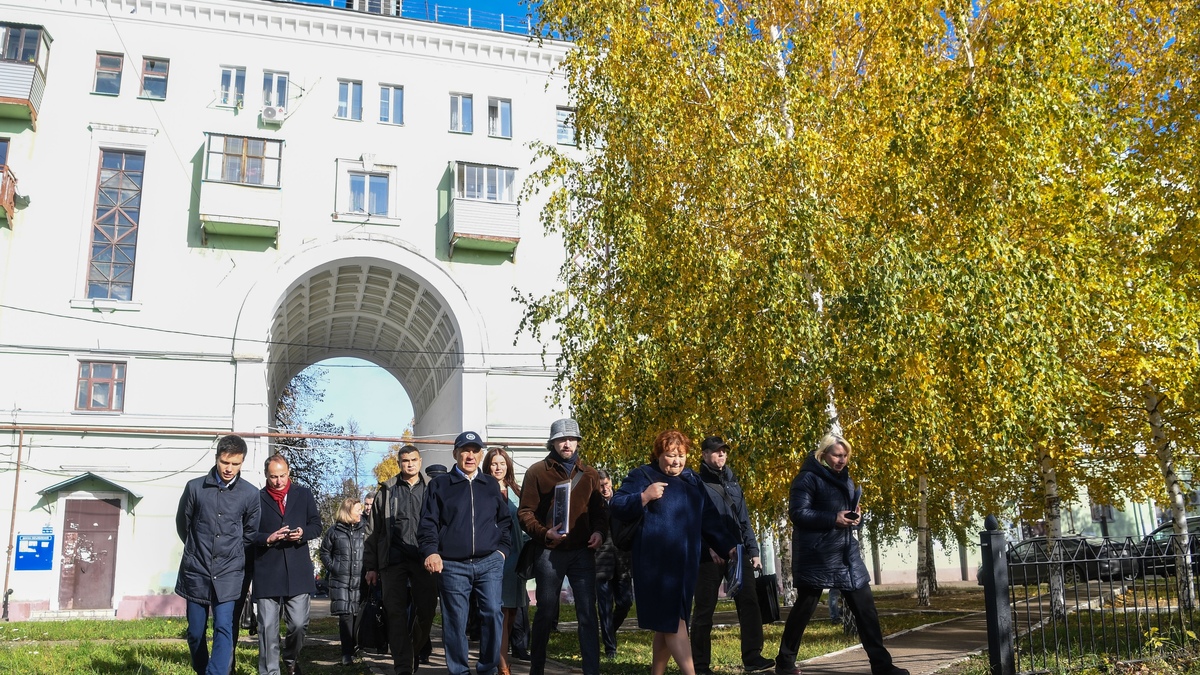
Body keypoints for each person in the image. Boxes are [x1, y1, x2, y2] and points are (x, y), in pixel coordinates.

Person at [774, 434, 908, 675]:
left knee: (866, 610)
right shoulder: (806, 479)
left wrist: (856, 516)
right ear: (823, 454)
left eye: (845, 455)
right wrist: (833, 518)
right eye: (837, 455)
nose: (841, 460)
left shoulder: (846, 480)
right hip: (817, 555)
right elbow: (798, 513)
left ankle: (882, 666)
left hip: (846, 554)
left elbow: (847, 516)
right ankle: (784, 663)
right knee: (804, 609)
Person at [609, 430, 738, 675]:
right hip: (655, 566)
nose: (676, 461)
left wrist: (728, 545)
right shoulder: (642, 475)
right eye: (670, 455)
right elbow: (617, 504)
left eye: (681, 456)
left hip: (685, 566)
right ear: (659, 454)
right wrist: (644, 497)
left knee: (667, 624)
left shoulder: (692, 480)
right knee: (675, 623)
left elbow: (709, 518)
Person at [517, 418, 608, 675]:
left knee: (587, 614)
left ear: (578, 442)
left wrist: (600, 532)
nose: (567, 444)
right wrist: (546, 534)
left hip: (582, 553)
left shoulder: (590, 474)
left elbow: (600, 512)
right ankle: (537, 669)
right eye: (561, 439)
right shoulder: (537, 472)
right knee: (545, 612)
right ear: (553, 442)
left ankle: (592, 670)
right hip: (549, 553)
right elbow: (525, 513)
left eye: (571, 439)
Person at [418, 431, 512, 675]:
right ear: (455, 454)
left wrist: (502, 551)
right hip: (452, 565)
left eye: (475, 451)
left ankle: (488, 669)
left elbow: (504, 522)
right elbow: (428, 523)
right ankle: (459, 671)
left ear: (481, 455)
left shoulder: (490, 484)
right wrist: (431, 551)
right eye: (465, 450)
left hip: (489, 562)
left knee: (492, 613)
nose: (470, 455)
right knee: (455, 621)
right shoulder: (440, 485)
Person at [176, 435, 261, 675]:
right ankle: (203, 670)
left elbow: (250, 533)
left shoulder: (250, 494)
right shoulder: (195, 488)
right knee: (195, 632)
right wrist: (197, 550)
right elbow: (184, 525)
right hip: (197, 571)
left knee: (224, 626)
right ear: (217, 459)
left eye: (235, 464)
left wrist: (229, 554)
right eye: (225, 462)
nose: (229, 469)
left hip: (229, 573)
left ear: (242, 462)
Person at [691, 436, 775, 675]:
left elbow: (744, 520)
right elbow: (695, 521)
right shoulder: (697, 483)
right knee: (704, 609)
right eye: (716, 452)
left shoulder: (733, 483)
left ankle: (753, 657)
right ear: (705, 454)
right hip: (710, 556)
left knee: (750, 603)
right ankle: (700, 666)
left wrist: (754, 551)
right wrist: (706, 547)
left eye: (724, 452)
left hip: (737, 552)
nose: (721, 455)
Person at [364, 444, 438, 675]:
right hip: (393, 561)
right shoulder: (386, 491)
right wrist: (371, 566)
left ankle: (412, 650)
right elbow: (373, 531)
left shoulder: (431, 489)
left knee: (426, 612)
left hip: (423, 559)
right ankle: (403, 667)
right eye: (405, 460)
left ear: (420, 461)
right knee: (394, 614)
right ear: (399, 463)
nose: (410, 464)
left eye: (414, 460)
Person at [252, 453, 323, 675]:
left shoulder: (303, 494)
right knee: (267, 630)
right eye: (274, 476)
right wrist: (267, 538)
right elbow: (247, 533)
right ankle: (270, 672)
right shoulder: (256, 498)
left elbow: (317, 525)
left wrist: (302, 533)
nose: (279, 481)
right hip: (267, 570)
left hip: (297, 570)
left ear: (289, 472)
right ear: (266, 475)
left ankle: (290, 657)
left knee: (299, 624)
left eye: (282, 475)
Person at [483, 447, 529, 675]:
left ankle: (501, 657)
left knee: (511, 613)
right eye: (493, 463)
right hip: (494, 556)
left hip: (516, 558)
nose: (498, 467)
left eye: (502, 463)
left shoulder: (516, 491)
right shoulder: (482, 489)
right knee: (499, 613)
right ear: (487, 466)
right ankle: (502, 665)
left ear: (508, 466)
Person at [321, 497, 367, 666]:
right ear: (348, 511)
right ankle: (346, 653)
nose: (361, 512)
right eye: (357, 509)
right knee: (345, 617)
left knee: (357, 616)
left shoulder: (365, 529)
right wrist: (334, 567)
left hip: (360, 580)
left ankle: (356, 647)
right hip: (340, 581)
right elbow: (324, 552)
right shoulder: (334, 531)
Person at [594, 469, 633, 660]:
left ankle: (609, 630)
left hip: (622, 560)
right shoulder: (592, 506)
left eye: (607, 484)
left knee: (626, 602)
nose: (605, 488)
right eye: (601, 486)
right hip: (601, 561)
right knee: (604, 606)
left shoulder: (620, 502)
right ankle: (610, 647)